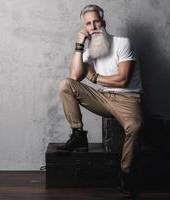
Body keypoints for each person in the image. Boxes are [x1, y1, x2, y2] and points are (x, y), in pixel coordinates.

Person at [56, 4, 143, 197]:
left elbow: (122, 79)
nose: (93, 26)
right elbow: (74, 77)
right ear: (85, 28)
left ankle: (126, 173)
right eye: (88, 24)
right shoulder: (89, 52)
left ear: (103, 22)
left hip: (127, 99)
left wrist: (95, 78)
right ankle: (78, 134)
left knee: (135, 127)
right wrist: (79, 45)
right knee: (65, 84)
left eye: (96, 21)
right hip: (103, 98)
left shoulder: (122, 43)